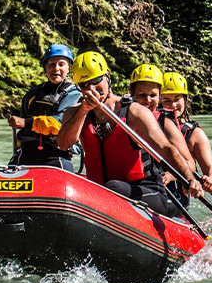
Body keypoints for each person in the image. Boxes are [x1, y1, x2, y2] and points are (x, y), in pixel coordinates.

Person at [56, 52, 202, 217]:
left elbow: (165, 148)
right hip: (101, 194)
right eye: (83, 85)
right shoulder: (74, 113)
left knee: (113, 187)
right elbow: (63, 143)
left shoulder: (134, 112)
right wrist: (83, 110)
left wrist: (189, 178)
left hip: (146, 191)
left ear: (107, 78)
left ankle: (173, 211)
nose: (91, 89)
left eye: (96, 81)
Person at [7, 43, 81, 170]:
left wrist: (26, 122)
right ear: (45, 68)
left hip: (57, 154)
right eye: (51, 64)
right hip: (27, 152)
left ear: (69, 68)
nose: (56, 68)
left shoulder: (75, 94)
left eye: (61, 64)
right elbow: (22, 128)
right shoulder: (32, 94)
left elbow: (58, 123)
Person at [159, 71, 212, 195]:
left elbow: (210, 169)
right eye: (166, 100)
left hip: (177, 197)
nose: (173, 105)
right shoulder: (152, 125)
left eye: (177, 99)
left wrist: (210, 180)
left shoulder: (195, 134)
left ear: (185, 100)